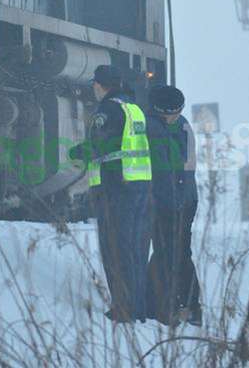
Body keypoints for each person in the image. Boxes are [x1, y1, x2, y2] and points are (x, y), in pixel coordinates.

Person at [69, 65, 152, 322]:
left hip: (116, 186)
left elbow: (101, 143)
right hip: (138, 184)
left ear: (100, 85)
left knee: (116, 248)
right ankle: (137, 306)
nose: (94, 88)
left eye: (95, 84)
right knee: (135, 249)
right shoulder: (133, 107)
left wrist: (77, 152)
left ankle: (123, 308)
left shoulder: (107, 109)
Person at [143, 85, 202, 327]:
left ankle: (169, 307)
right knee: (171, 254)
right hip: (175, 201)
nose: (176, 117)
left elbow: (175, 169)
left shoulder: (168, 127)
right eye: (172, 113)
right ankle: (183, 306)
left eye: (179, 112)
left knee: (172, 254)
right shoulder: (162, 126)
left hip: (176, 202)